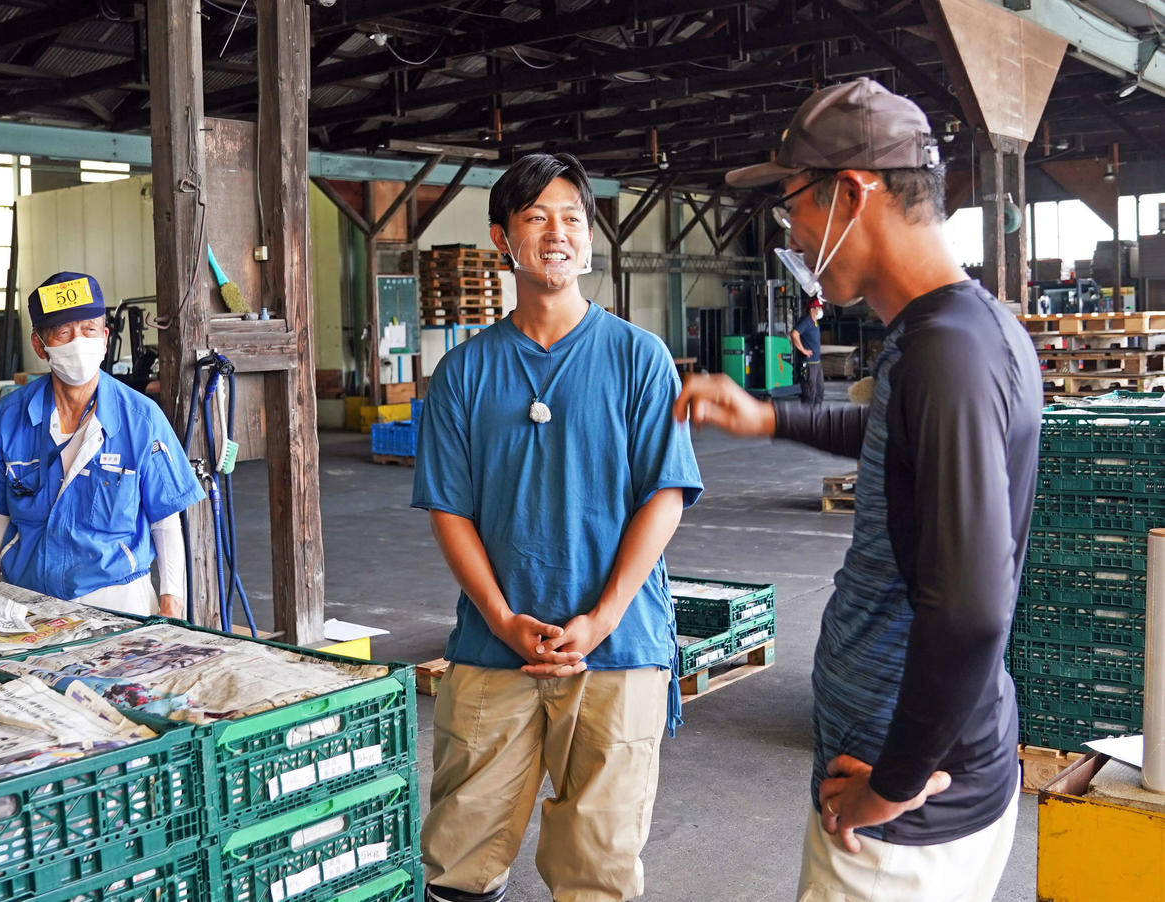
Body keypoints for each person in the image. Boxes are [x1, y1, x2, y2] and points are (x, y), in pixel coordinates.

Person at [674, 78, 1042, 901]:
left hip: (899, 820)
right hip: (912, 786)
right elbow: (893, 434)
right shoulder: (958, 331)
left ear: (850, 192)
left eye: (793, 208)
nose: (797, 236)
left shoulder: (949, 354)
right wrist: (770, 417)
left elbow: (971, 609)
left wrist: (895, 784)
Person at [413, 153, 703, 902]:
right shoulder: (464, 372)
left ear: (590, 236)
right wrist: (503, 620)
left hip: (619, 651)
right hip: (493, 649)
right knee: (460, 854)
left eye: (572, 217)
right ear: (502, 238)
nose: (557, 232)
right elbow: (449, 510)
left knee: (598, 867)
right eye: (536, 216)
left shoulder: (638, 357)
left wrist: (601, 619)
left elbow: (664, 496)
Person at [0, 271, 204, 617]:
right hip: (29, 598)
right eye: (63, 333)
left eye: (89, 330)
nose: (78, 342)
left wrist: (171, 604)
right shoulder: (10, 416)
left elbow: (165, 520)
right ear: (40, 345)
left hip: (119, 599)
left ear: (104, 338)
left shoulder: (141, 419)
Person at [790, 297, 826, 407]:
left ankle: (817, 415)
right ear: (812, 309)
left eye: (821, 308)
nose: (821, 310)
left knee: (819, 391)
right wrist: (803, 350)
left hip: (817, 362)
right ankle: (806, 416)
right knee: (809, 392)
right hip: (809, 363)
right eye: (818, 308)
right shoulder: (806, 321)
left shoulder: (815, 323)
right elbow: (794, 334)